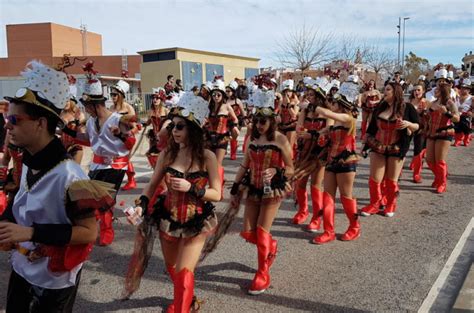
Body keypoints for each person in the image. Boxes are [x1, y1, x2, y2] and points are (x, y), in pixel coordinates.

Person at [0, 61, 113, 312]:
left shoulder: (73, 177)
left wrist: (29, 233)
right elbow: (21, 198)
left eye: (15, 119)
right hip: (22, 268)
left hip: (54, 281)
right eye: (8, 117)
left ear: (40, 123)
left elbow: (88, 232)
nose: (7, 125)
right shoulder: (30, 161)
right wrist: (6, 224)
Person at [134, 92, 221, 312]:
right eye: (173, 126)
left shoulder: (207, 157)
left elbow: (217, 194)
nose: (174, 131)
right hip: (169, 217)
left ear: (193, 129)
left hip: (196, 220)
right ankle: (188, 298)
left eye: (180, 126)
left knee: (184, 272)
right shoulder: (167, 154)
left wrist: (192, 188)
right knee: (172, 267)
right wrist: (142, 203)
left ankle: (183, 307)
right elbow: (152, 184)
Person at [230, 80, 293, 295]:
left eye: (263, 121)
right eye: (256, 120)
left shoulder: (281, 140)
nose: (259, 125)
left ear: (271, 121)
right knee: (248, 232)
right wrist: (234, 188)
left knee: (262, 231)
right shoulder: (252, 140)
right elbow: (244, 165)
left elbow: (292, 168)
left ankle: (262, 273)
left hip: (272, 189)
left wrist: (278, 171)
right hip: (253, 187)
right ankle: (271, 247)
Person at [64, 62, 136, 246]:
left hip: (115, 166)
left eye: (87, 105)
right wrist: (69, 132)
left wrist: (119, 134)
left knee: (105, 201)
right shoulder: (90, 122)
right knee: (88, 198)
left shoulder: (118, 119)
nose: (85, 109)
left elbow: (131, 143)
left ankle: (106, 232)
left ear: (96, 105)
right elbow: (89, 140)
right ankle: (97, 228)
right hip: (97, 165)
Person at [361, 82, 419, 217]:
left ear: (396, 92)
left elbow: (418, 126)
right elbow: (372, 129)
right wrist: (365, 146)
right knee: (375, 178)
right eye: (384, 89)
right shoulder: (380, 107)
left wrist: (408, 124)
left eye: (388, 89)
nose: (384, 91)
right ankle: (375, 204)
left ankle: (391, 204)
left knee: (391, 180)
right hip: (378, 146)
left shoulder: (408, 108)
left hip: (397, 148)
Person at [312, 85, 361, 244]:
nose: (331, 105)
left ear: (341, 105)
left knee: (346, 196)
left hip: (347, 161)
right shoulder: (334, 124)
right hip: (331, 161)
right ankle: (328, 231)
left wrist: (312, 106)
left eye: (334, 103)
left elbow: (327, 113)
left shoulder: (348, 119)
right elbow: (321, 132)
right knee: (328, 195)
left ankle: (354, 227)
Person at [292, 78, 332, 230]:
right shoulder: (305, 110)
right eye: (307, 94)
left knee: (315, 184)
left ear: (319, 97)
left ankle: (317, 217)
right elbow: (299, 128)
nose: (308, 97)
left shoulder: (327, 112)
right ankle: (303, 211)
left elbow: (328, 130)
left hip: (319, 152)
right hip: (304, 151)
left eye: (311, 95)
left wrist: (312, 134)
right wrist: (304, 133)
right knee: (300, 182)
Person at [204, 78, 239, 190]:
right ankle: (219, 181)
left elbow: (235, 119)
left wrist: (232, 125)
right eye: (214, 94)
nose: (216, 97)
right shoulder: (208, 107)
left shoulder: (227, 107)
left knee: (217, 164)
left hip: (222, 138)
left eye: (218, 94)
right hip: (209, 137)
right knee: (208, 164)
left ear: (222, 95)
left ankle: (217, 188)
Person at [425, 83, 460, 193]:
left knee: (439, 161)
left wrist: (447, 113)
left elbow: (457, 119)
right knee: (429, 160)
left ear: (443, 91)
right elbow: (427, 117)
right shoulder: (433, 103)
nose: (435, 91)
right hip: (432, 132)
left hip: (445, 132)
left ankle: (442, 183)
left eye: (437, 90)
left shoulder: (450, 103)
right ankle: (439, 177)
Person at [110, 80, 138, 191]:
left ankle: (131, 181)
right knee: (119, 160)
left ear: (121, 95)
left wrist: (127, 131)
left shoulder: (128, 108)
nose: (112, 97)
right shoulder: (111, 108)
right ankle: (129, 181)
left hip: (127, 138)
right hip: (115, 138)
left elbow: (135, 127)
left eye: (115, 94)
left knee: (125, 159)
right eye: (111, 94)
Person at [408, 84, 428, 183]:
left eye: (419, 90)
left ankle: (416, 174)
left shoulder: (425, 102)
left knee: (418, 151)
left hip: (421, 129)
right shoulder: (409, 102)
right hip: (409, 128)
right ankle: (398, 173)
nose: (416, 92)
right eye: (415, 90)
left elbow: (429, 117)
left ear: (423, 91)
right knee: (403, 149)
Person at [144, 88, 169, 168]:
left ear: (161, 99)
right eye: (153, 98)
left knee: (165, 157)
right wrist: (141, 124)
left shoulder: (166, 111)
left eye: (157, 98)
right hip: (155, 138)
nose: (155, 100)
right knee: (153, 157)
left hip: (165, 138)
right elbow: (148, 122)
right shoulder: (150, 111)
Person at [60, 96, 86, 164]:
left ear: (72, 102)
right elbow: (61, 132)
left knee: (74, 171)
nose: (65, 103)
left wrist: (78, 123)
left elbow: (82, 134)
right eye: (63, 101)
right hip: (63, 148)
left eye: (67, 101)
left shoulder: (78, 114)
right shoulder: (61, 114)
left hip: (75, 146)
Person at [278, 79, 299, 158]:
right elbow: (279, 112)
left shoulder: (296, 101)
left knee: (289, 147)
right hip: (282, 125)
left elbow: (294, 115)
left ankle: (289, 164)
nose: (288, 93)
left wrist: (288, 105)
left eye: (289, 91)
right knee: (280, 146)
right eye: (286, 91)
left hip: (291, 126)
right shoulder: (281, 100)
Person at [226, 81, 246, 160]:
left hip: (235, 121)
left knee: (234, 135)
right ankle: (225, 149)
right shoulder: (224, 100)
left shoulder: (237, 101)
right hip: (226, 121)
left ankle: (233, 153)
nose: (227, 93)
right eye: (226, 91)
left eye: (228, 91)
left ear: (233, 91)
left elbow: (243, 112)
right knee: (225, 136)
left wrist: (245, 120)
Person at [453, 79, 472, 147]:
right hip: (457, 114)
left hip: (466, 115)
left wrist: (471, 112)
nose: (463, 90)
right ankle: (457, 140)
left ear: (468, 90)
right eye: (462, 88)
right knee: (457, 128)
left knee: (466, 128)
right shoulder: (456, 96)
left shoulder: (471, 98)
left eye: (465, 89)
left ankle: (466, 140)